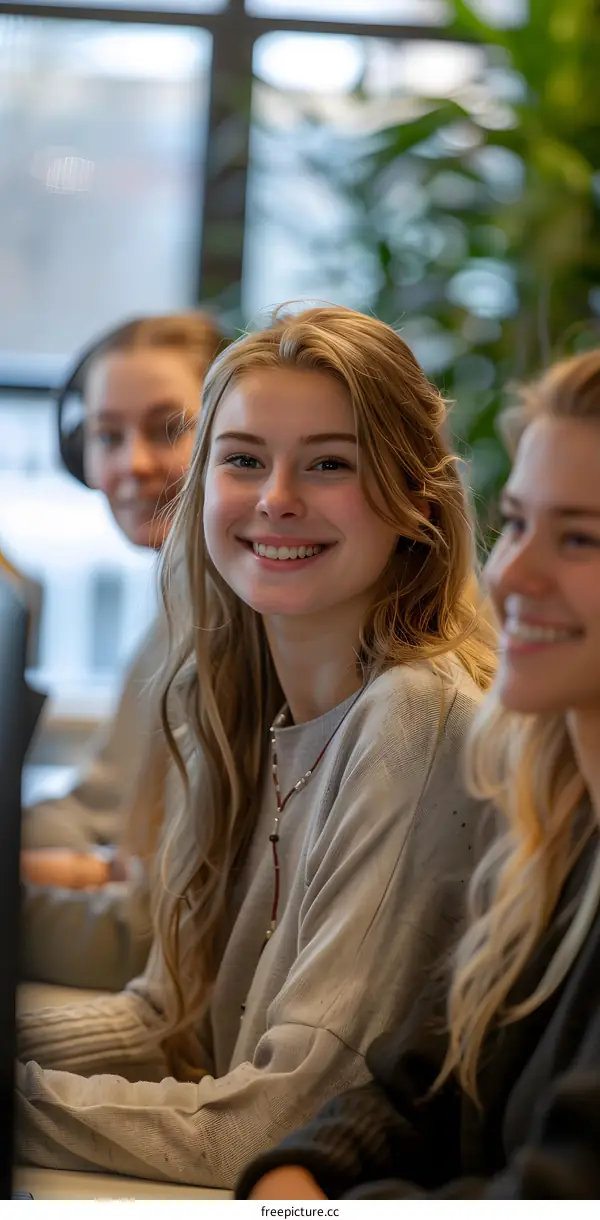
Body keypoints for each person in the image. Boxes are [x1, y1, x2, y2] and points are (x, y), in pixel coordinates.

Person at [15, 304, 495, 1187]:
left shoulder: (412, 713)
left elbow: (280, 1117)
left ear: (414, 500)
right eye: (243, 459)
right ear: (204, 488)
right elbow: (170, 1019)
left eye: (328, 464)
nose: (277, 497)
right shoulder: (233, 692)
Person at [238, 346, 600, 1202]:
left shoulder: (418, 714)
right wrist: (296, 1182)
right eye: (517, 522)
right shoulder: (561, 827)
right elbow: (415, 1090)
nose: (511, 574)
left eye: (580, 537)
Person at [19, 311, 225, 991]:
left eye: (169, 428)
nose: (131, 464)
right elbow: (92, 802)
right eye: (106, 436)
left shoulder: (243, 625)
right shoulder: (179, 598)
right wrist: (79, 864)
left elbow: (165, 922)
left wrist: (85, 872)